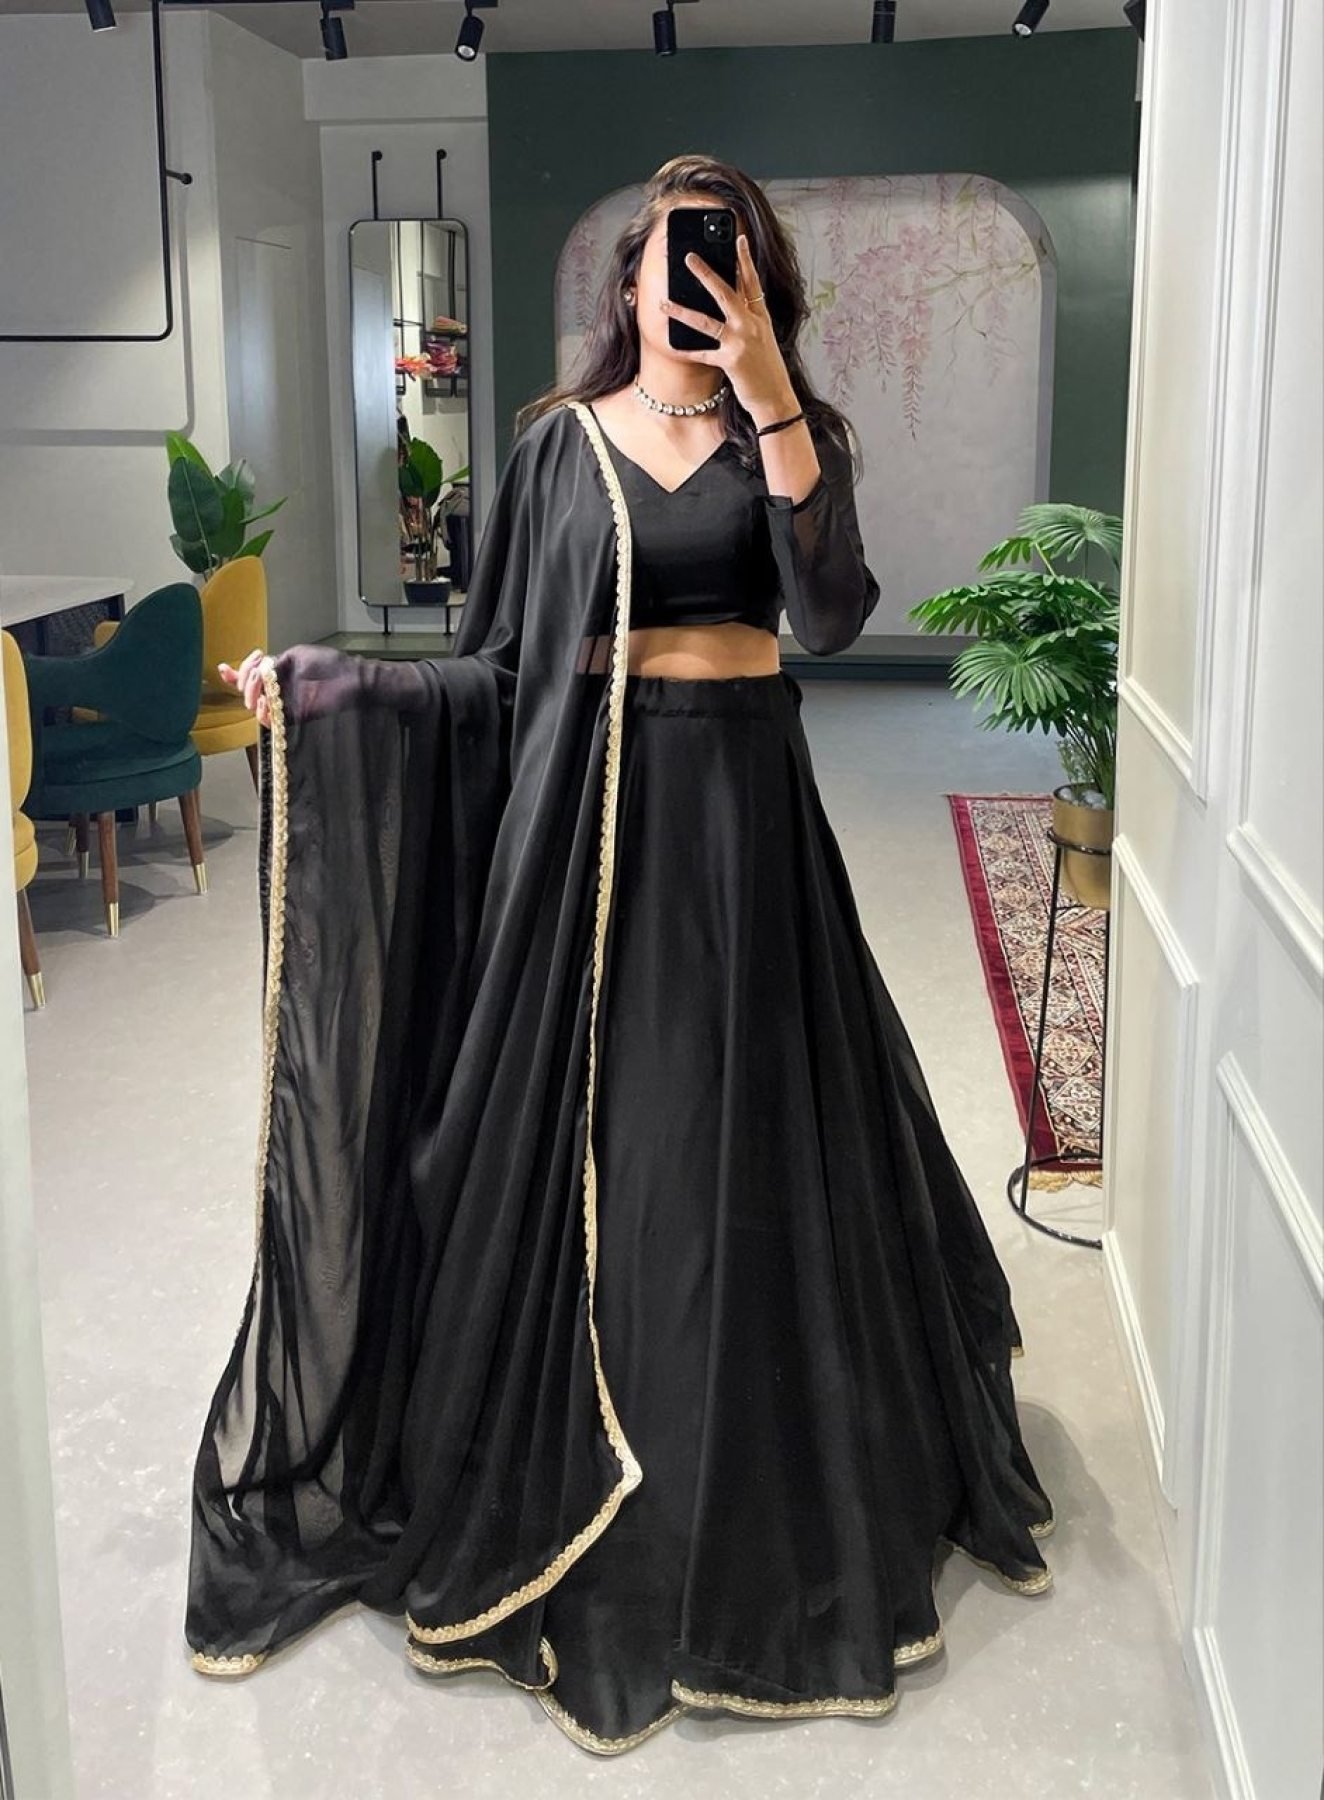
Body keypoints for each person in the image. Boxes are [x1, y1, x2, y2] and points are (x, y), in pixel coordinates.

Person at [187, 153, 1054, 1759]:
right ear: (630, 281)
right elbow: (498, 675)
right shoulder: (555, 447)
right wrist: (330, 685)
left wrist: (773, 400)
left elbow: (832, 617)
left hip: (752, 827)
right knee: (634, 1141)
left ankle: (773, 1474)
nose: (695, 275)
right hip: (601, 838)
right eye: (674, 251)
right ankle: (621, 1482)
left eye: (727, 255)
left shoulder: (793, 434)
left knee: (762, 1137)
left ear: (757, 282)